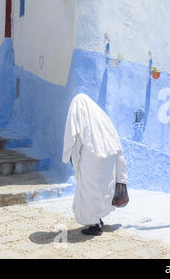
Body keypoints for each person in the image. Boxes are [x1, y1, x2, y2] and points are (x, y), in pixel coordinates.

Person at [62, 94, 127, 236]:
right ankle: (98, 218)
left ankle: (94, 224)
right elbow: (115, 142)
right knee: (103, 191)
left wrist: (71, 156)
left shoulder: (81, 115)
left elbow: (73, 134)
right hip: (107, 161)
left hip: (91, 161)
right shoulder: (102, 119)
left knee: (89, 193)